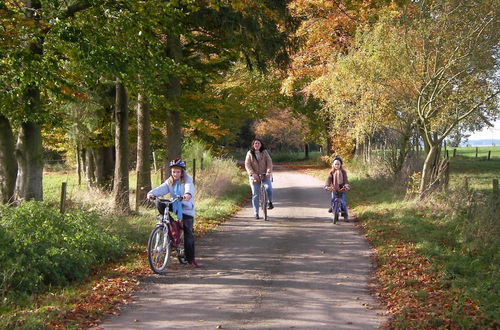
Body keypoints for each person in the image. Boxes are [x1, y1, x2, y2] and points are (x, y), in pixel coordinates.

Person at [147, 158, 199, 268]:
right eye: (173, 171)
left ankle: (191, 259)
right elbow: (161, 188)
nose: (175, 174)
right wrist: (152, 193)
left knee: (188, 233)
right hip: (175, 205)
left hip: (186, 207)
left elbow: (188, 189)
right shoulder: (169, 181)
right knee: (160, 204)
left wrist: (187, 195)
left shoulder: (187, 180)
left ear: (182, 172)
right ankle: (172, 224)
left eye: (178, 171)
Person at [244, 139, 274, 219]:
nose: (257, 144)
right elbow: (247, 165)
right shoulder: (249, 153)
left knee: (269, 188)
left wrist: (268, 172)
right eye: (255, 143)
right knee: (255, 194)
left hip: (265, 175)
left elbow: (269, 162)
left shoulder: (264, 152)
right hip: (254, 177)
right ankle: (256, 213)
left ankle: (269, 202)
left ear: (261, 145)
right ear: (253, 145)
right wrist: (252, 174)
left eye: (258, 143)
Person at [324, 156, 350, 221]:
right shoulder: (331, 172)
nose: (337, 165)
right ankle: (333, 208)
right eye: (335, 164)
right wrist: (327, 185)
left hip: (342, 189)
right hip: (334, 189)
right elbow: (329, 179)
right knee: (333, 199)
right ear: (333, 164)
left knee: (343, 203)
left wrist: (346, 185)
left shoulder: (343, 172)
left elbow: (346, 180)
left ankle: (345, 216)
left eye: (338, 164)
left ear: (340, 164)